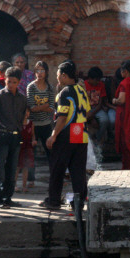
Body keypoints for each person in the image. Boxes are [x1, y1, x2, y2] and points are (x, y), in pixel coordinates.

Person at [40, 60, 91, 211]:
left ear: (63, 75)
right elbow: (87, 112)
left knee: (57, 168)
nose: (56, 78)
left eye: (57, 75)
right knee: (78, 170)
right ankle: (78, 202)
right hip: (80, 132)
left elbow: (62, 117)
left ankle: (54, 201)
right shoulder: (81, 90)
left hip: (67, 134)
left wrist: (53, 136)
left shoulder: (65, 92)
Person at [0, 66, 29, 209]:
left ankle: (7, 198)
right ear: (5, 80)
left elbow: (23, 119)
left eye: (14, 82)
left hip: (15, 137)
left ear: (19, 82)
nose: (10, 85)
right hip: (1, 136)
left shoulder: (22, 99)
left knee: (11, 170)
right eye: (8, 81)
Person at [12, 53, 37, 187]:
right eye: (17, 62)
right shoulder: (11, 75)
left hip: (28, 110)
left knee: (30, 148)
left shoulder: (29, 75)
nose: (20, 64)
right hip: (16, 113)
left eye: (22, 62)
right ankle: (14, 180)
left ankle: (30, 179)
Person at [27, 61, 56, 167]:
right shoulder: (31, 87)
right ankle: (30, 180)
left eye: (42, 70)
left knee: (51, 152)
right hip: (33, 124)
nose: (40, 73)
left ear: (46, 72)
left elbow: (51, 108)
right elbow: (32, 108)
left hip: (46, 124)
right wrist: (44, 106)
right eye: (37, 70)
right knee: (30, 154)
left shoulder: (50, 88)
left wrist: (41, 107)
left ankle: (54, 176)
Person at [84, 66, 108, 166]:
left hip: (97, 109)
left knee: (105, 120)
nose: (98, 82)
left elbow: (100, 103)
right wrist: (91, 117)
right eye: (97, 80)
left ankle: (98, 140)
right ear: (91, 79)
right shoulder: (83, 85)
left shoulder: (101, 85)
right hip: (86, 109)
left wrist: (93, 115)